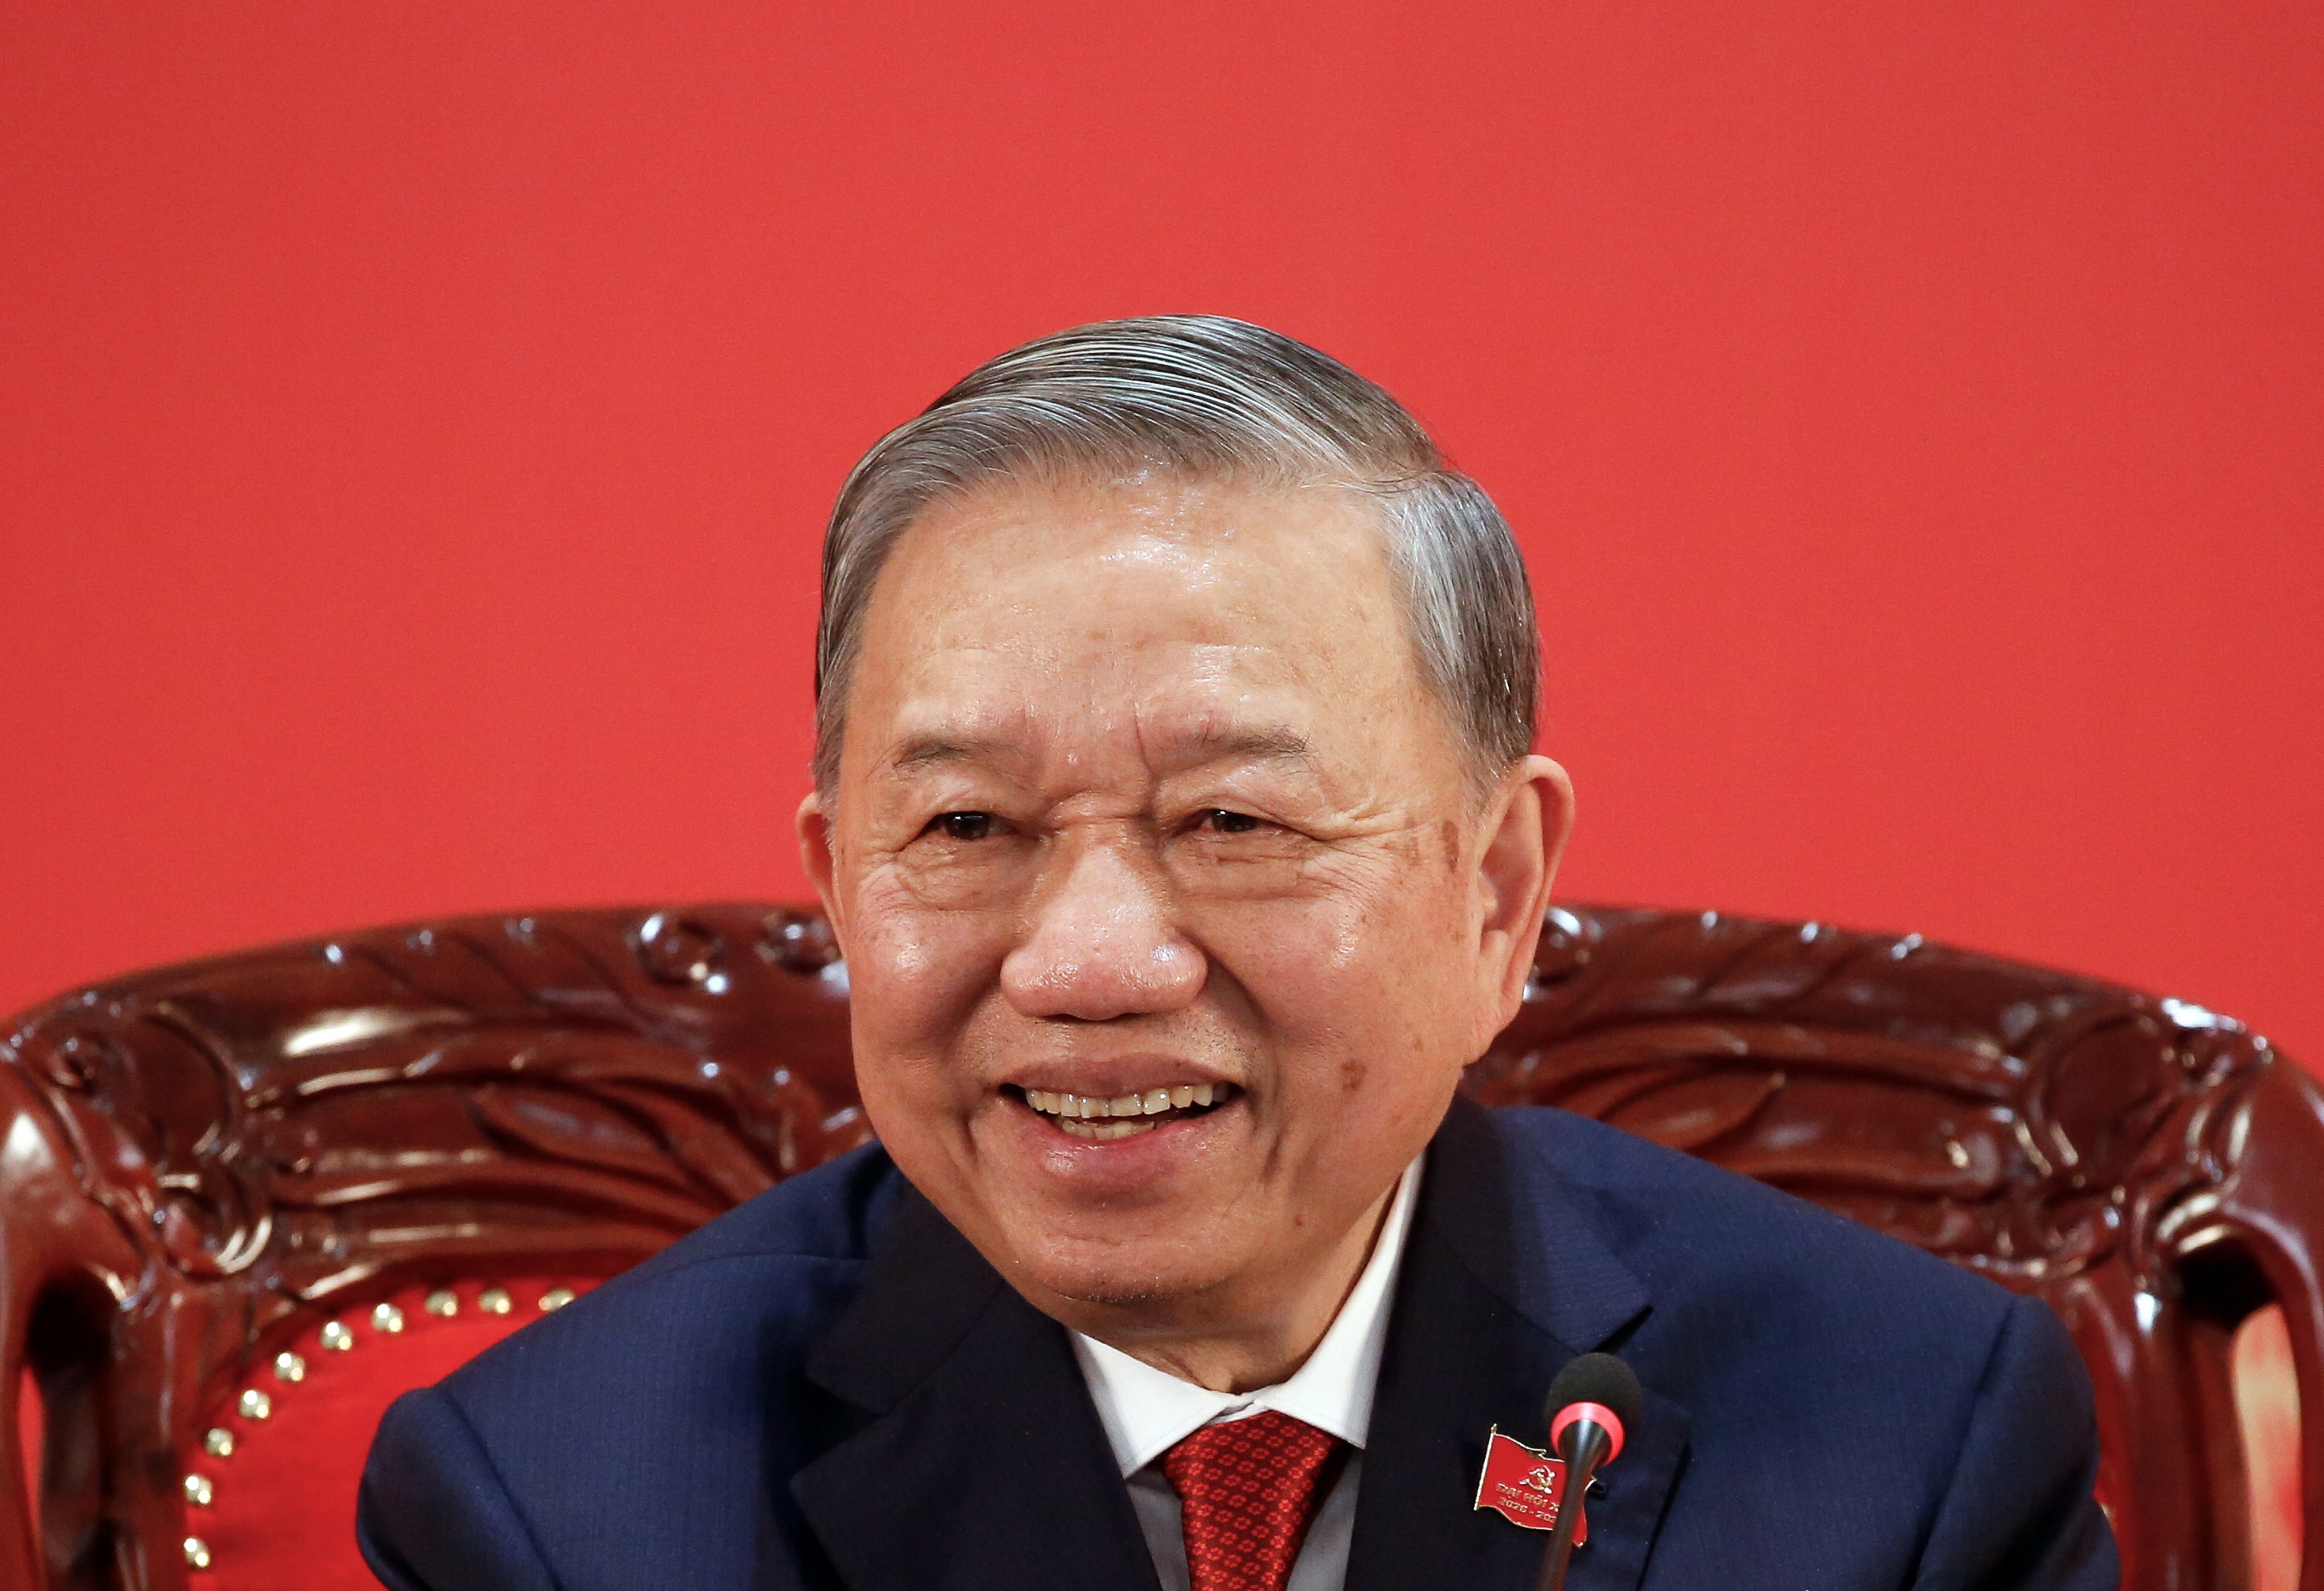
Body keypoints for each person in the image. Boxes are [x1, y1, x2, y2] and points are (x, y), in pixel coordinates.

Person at [356, 316, 2119, 1590]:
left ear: (1493, 893)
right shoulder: (560, 1511)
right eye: (966, 830)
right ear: (840, 888)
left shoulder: (1907, 1445)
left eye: (1233, 824)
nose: (1092, 962)